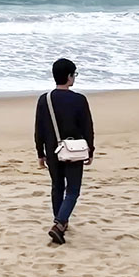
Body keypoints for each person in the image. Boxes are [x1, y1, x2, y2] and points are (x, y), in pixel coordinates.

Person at [34, 58, 94, 244]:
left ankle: (60, 222)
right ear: (69, 76)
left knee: (57, 187)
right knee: (73, 190)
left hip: (53, 150)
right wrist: (90, 150)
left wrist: (40, 153)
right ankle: (59, 223)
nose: (74, 77)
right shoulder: (79, 100)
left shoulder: (45, 99)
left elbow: (39, 129)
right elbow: (87, 128)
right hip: (74, 151)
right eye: (74, 74)